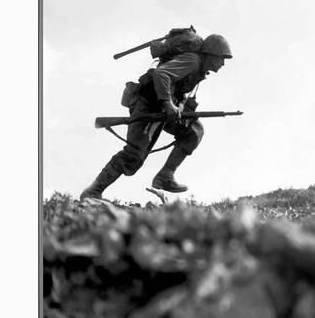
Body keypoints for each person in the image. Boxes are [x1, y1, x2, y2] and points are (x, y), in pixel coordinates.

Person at [79, 33, 232, 200]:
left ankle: (165, 176)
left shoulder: (199, 69)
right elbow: (162, 74)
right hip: (148, 104)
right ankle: (93, 191)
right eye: (221, 58)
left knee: (194, 131)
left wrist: (179, 107)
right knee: (134, 155)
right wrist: (168, 104)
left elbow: (176, 87)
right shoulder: (193, 61)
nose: (223, 63)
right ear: (211, 54)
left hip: (161, 109)